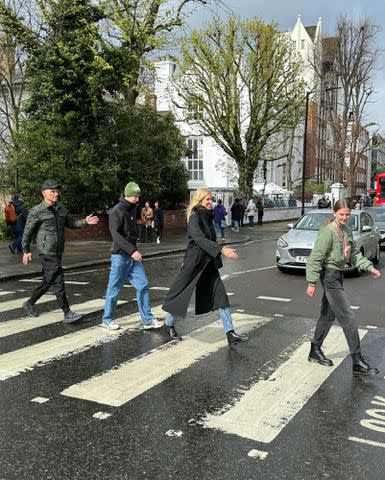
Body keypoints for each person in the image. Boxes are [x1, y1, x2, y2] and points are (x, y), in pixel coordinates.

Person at [162, 188, 249, 345]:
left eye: (211, 199)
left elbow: (209, 240)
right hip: (194, 264)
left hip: (208, 264)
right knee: (182, 296)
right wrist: (221, 249)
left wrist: (217, 252)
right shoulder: (194, 217)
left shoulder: (208, 216)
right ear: (199, 200)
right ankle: (168, 324)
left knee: (221, 297)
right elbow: (199, 239)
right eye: (207, 199)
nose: (211, 202)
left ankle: (230, 333)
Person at [306, 198, 381, 376]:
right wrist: (311, 282)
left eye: (347, 214)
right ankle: (356, 360)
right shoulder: (328, 232)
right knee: (348, 318)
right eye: (341, 214)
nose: (345, 217)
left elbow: (354, 255)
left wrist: (369, 267)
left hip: (338, 275)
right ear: (334, 213)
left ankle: (314, 350)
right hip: (330, 277)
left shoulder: (346, 230)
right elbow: (315, 258)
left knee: (327, 316)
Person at [21, 180, 99, 323]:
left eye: (57, 191)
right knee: (58, 279)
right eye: (53, 191)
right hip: (46, 251)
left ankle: (29, 303)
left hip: (58, 250)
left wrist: (85, 222)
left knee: (48, 280)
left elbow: (72, 223)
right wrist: (26, 250)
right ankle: (67, 312)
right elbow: (27, 231)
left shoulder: (61, 208)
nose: (56, 194)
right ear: (44, 193)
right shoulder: (37, 211)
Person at [101, 182, 163, 330]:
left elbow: (130, 230)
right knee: (114, 288)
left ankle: (147, 320)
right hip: (120, 256)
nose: (137, 199)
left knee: (143, 285)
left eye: (138, 196)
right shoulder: (116, 211)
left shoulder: (132, 209)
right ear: (127, 195)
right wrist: (132, 250)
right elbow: (115, 235)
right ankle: (107, 319)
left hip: (132, 255)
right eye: (135, 196)